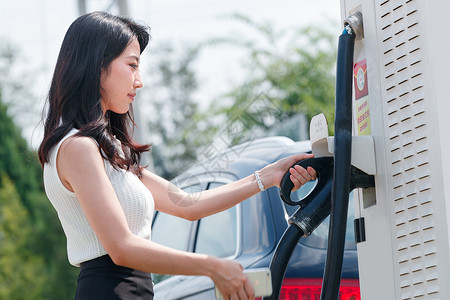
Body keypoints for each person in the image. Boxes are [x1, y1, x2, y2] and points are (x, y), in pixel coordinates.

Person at [38, 11, 316, 300]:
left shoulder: (107, 150)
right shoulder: (78, 148)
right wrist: (212, 267)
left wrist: (267, 177)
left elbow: (187, 204)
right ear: (96, 65)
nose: (139, 81)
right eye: (132, 65)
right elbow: (121, 247)